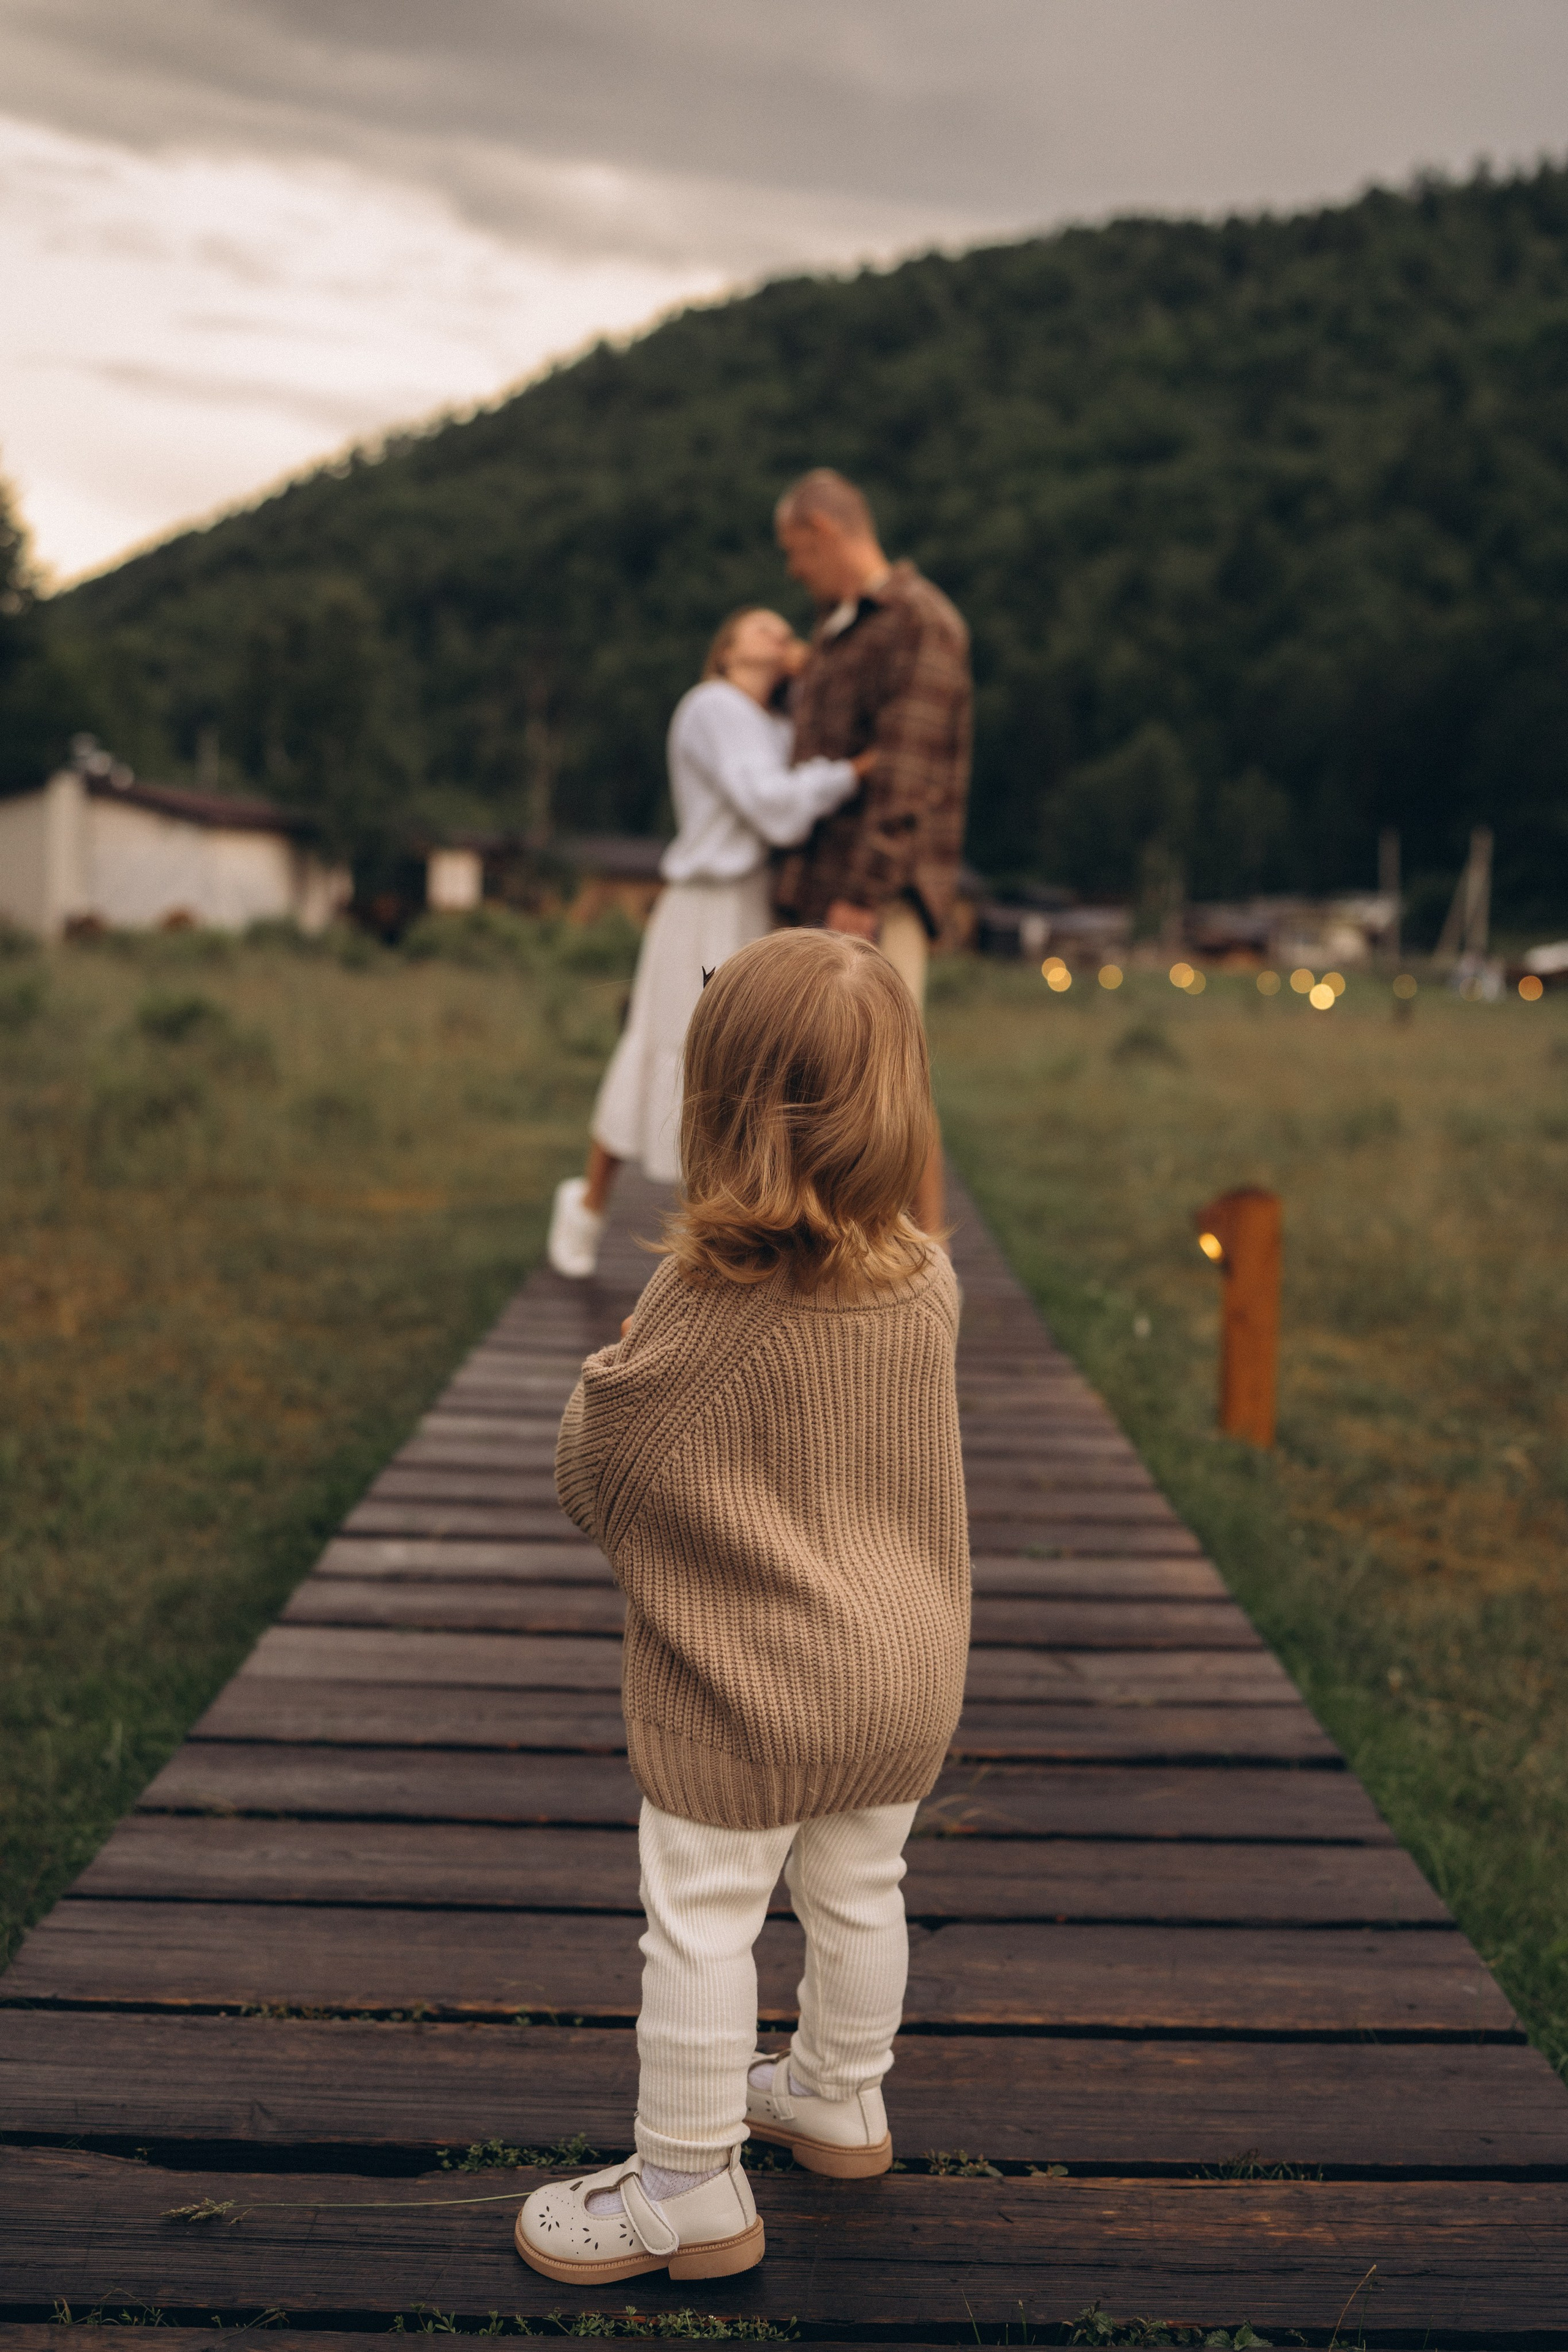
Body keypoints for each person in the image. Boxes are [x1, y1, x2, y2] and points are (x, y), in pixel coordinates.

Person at [514, 928, 970, 2286]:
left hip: (751, 1689)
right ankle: (837, 2093)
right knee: (859, 1887)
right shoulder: (928, 1277)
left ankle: (685, 2187)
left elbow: (596, 1470)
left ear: (715, 1111)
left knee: (704, 1921)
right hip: (900, 1673)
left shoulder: (710, 1298)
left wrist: (610, 1374)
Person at [546, 608, 869, 1280]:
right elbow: (775, 808)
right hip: (701, 903)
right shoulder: (711, 706)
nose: (777, 636)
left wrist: (813, 678)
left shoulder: (775, 725)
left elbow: (802, 755)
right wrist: (850, 774)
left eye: (784, 630)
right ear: (725, 649)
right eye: (759, 627)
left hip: (753, 905)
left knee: (741, 1064)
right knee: (672, 1048)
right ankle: (590, 1207)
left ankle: (713, 1238)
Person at [772, 469, 972, 1238]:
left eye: (796, 551)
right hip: (820, 890)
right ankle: (835, 1257)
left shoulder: (920, 622)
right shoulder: (840, 628)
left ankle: (928, 1266)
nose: (793, 570)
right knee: (827, 1080)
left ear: (823, 531)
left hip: (874, 896)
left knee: (887, 1080)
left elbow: (908, 776)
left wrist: (862, 893)